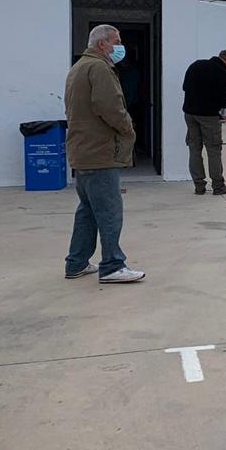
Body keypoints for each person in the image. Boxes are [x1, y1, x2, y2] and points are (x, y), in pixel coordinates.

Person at [63, 24, 145, 284]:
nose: (120, 47)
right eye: (116, 41)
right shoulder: (99, 68)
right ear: (102, 44)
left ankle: (76, 262)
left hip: (83, 149)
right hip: (99, 151)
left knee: (87, 210)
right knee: (109, 210)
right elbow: (109, 107)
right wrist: (128, 127)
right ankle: (112, 265)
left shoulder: (79, 67)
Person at [182, 49, 226, 195]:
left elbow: (185, 87)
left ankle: (199, 186)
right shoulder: (223, 73)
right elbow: (224, 99)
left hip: (190, 114)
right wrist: (225, 105)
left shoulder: (196, 65)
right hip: (209, 117)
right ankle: (218, 186)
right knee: (213, 150)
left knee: (194, 149)